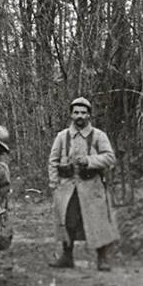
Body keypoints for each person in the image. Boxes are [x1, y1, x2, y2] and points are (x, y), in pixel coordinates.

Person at [47, 97, 120, 271]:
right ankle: (67, 256)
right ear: (71, 115)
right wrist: (54, 183)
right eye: (76, 112)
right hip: (67, 187)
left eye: (83, 112)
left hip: (91, 186)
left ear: (89, 115)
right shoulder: (62, 136)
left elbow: (110, 157)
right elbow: (53, 160)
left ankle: (102, 259)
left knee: (98, 222)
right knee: (67, 221)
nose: (80, 116)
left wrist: (89, 160)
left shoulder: (99, 135)